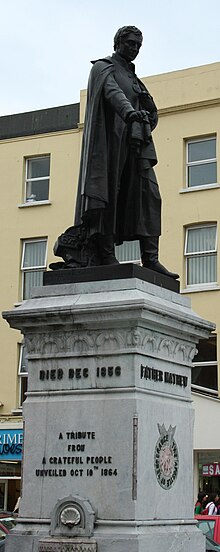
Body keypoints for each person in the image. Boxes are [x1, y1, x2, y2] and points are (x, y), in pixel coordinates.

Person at [54, 26, 179, 279]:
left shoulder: (135, 78)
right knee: (109, 193)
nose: (134, 49)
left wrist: (147, 111)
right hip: (110, 144)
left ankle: (151, 258)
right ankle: (106, 252)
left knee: (149, 195)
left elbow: (148, 115)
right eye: (131, 43)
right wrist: (130, 112)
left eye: (138, 46)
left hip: (135, 145)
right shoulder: (103, 67)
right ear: (118, 42)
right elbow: (112, 93)